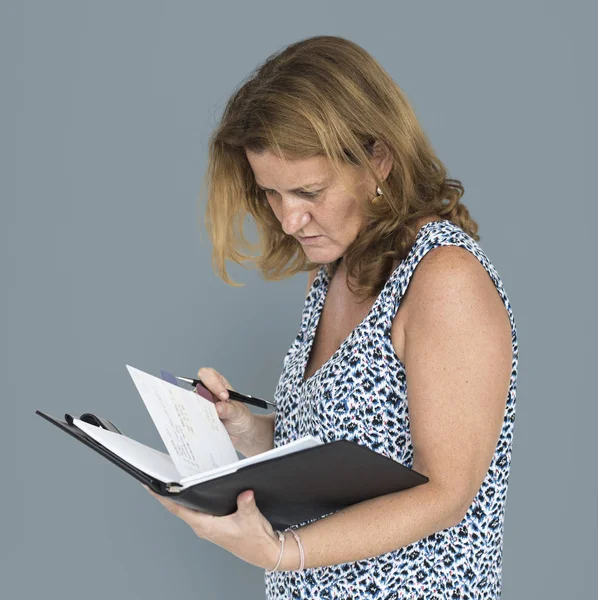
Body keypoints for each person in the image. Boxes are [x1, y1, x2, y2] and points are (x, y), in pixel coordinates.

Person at [144, 35, 518, 599]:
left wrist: (282, 553)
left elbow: (448, 491)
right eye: (271, 193)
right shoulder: (338, 269)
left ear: (379, 161)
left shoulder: (445, 280)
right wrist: (245, 430)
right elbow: (336, 457)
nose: (291, 219)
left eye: (309, 190)